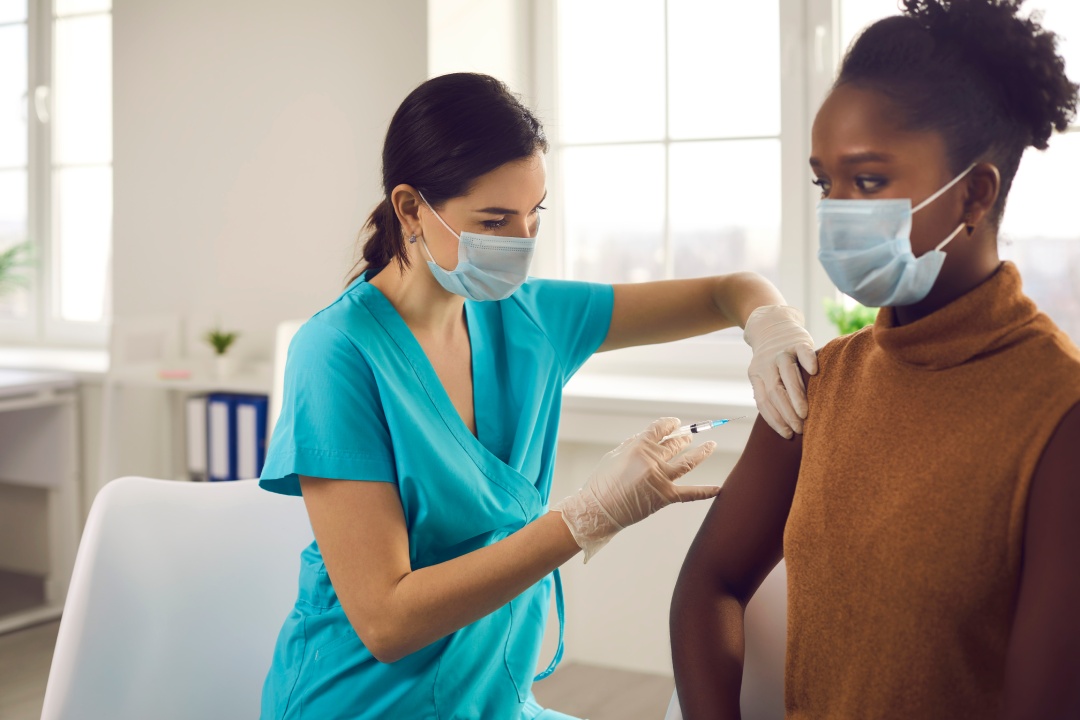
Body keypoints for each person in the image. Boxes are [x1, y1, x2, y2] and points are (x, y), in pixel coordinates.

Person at [257, 72, 818, 719]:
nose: (522, 242)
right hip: (362, 704)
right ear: (410, 208)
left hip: (495, 703)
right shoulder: (338, 353)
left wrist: (771, 325)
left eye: (534, 214)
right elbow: (388, 622)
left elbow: (730, 289)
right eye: (494, 220)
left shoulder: (531, 320)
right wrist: (586, 517)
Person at [669, 1, 1080, 718]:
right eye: (825, 183)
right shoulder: (825, 383)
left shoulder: (1057, 416)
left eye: (867, 182)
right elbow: (711, 584)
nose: (836, 212)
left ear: (975, 194)